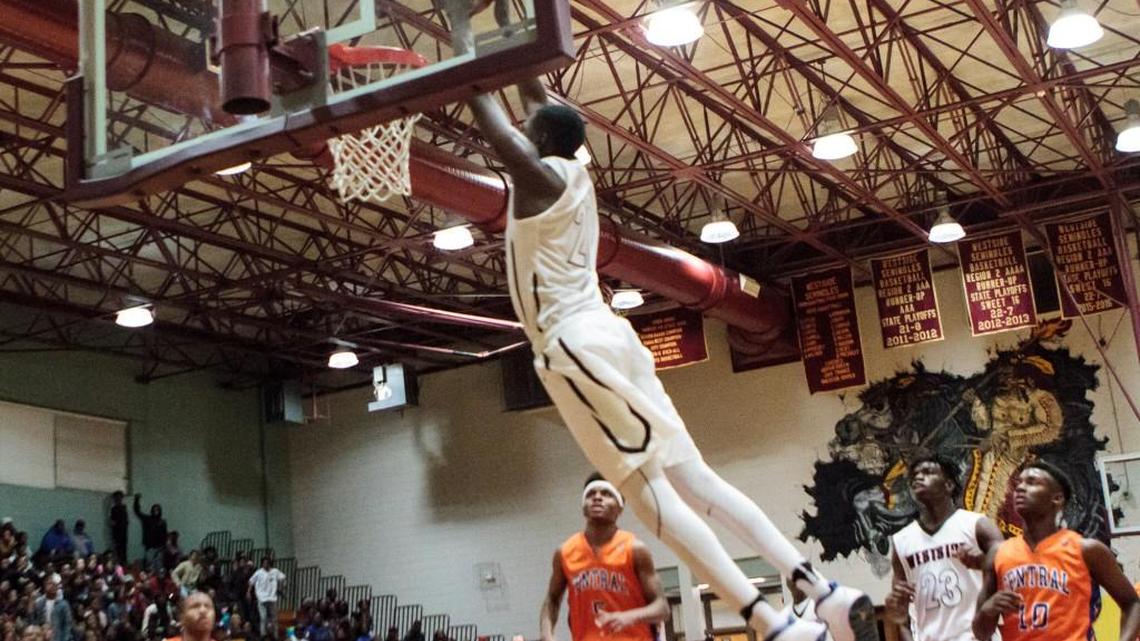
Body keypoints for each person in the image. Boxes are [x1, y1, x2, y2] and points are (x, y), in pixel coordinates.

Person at [442, 4, 875, 641]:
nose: (528, 120)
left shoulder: (536, 179)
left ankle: (773, 622)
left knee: (649, 499)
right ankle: (820, 590)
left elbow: (495, 126)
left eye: (531, 123)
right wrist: (515, 31)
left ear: (539, 138)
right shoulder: (571, 168)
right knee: (696, 479)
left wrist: (457, 29)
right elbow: (536, 97)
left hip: (573, 343)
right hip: (608, 333)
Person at [972, 461, 1140, 641]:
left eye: (1032, 482)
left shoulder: (1087, 549)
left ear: (1057, 499)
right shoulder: (998, 553)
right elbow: (981, 633)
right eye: (1019, 482)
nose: (1020, 488)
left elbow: (1132, 603)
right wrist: (988, 610)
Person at [886, 456, 1003, 641]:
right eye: (915, 475)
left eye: (928, 472)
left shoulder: (977, 525)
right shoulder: (901, 541)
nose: (918, 477)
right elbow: (901, 615)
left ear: (948, 485)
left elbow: (1008, 569)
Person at [539, 474, 668, 641]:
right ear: (583, 506)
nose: (598, 497)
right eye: (591, 494)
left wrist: (629, 616)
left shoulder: (635, 549)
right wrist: (546, 634)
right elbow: (552, 599)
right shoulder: (564, 552)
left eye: (607, 494)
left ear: (620, 507)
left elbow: (662, 608)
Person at [249, 557, 285, 641]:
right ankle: (263, 635)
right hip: (261, 598)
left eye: (267, 563)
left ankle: (275, 636)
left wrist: (282, 587)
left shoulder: (275, 571)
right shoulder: (258, 572)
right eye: (264, 563)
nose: (265, 564)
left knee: (274, 618)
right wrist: (248, 592)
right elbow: (251, 581)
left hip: (272, 598)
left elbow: (283, 578)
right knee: (263, 617)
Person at [132, 495, 167, 572]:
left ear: (160, 511)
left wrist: (164, 547)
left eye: (157, 510)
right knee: (150, 565)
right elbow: (137, 512)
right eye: (154, 510)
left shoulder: (162, 522)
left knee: (159, 565)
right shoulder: (147, 519)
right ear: (152, 510)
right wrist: (136, 500)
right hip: (149, 547)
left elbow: (165, 535)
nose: (156, 511)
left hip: (160, 547)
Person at [108, 492, 128, 568]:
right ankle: (119, 562)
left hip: (123, 531)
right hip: (117, 532)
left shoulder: (123, 508)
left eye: (120, 498)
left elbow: (125, 521)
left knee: (123, 548)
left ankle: (123, 562)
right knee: (118, 548)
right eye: (117, 498)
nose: (118, 499)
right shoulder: (113, 509)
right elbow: (112, 521)